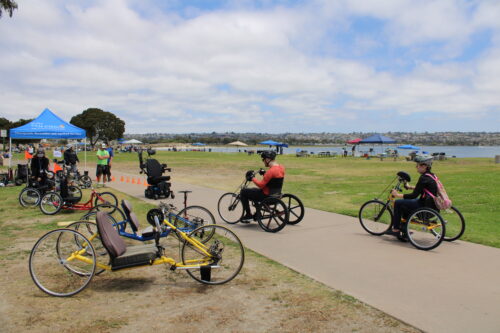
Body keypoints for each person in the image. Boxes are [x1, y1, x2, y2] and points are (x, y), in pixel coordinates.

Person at [387, 155, 438, 240]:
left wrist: (397, 195)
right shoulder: (431, 175)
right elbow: (423, 188)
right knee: (405, 205)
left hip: (423, 205)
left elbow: (413, 195)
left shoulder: (423, 178)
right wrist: (410, 187)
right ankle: (404, 229)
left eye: (417, 165)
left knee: (398, 203)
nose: (416, 167)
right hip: (431, 205)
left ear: (424, 166)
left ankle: (395, 229)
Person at [240, 150, 285, 222]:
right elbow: (272, 180)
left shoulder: (270, 171)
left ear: (267, 159)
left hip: (266, 196)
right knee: (253, 191)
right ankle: (258, 212)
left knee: (243, 192)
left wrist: (252, 178)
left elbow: (261, 185)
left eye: (263, 160)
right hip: (276, 194)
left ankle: (248, 215)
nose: (263, 161)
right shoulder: (281, 168)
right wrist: (264, 173)